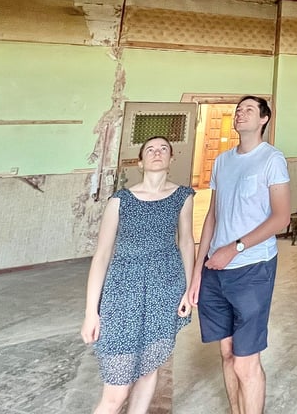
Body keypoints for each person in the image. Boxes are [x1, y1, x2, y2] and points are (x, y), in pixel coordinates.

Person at [189, 96, 291, 414]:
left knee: (246, 363)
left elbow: (281, 217)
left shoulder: (271, 159)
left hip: (252, 268)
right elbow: (212, 216)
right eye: (238, 109)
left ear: (264, 119)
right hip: (214, 270)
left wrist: (235, 248)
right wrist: (197, 271)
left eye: (248, 109)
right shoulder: (222, 161)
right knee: (227, 353)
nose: (240, 114)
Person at [81, 136, 195, 414]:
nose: (157, 153)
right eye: (150, 149)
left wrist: (188, 290)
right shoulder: (121, 201)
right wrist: (90, 312)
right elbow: (102, 256)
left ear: (171, 159)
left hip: (164, 290)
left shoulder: (183, 196)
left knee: (149, 368)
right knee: (116, 389)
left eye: (163, 149)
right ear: (141, 161)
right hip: (122, 293)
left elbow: (186, 242)